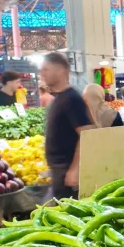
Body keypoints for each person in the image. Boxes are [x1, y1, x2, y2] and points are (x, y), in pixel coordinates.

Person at [39, 52, 95, 200]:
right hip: (59, 171)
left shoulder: (72, 99)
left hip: (67, 171)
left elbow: (87, 134)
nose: (42, 74)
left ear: (61, 71)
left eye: (46, 69)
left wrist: (75, 169)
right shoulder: (59, 98)